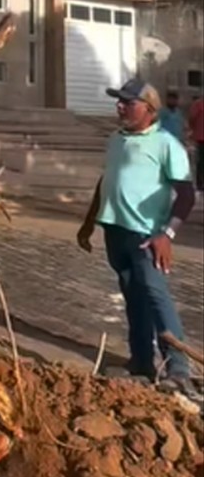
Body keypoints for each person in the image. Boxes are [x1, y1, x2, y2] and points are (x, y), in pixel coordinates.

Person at [77, 79, 197, 396]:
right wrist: (89, 223)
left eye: (127, 102)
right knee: (133, 297)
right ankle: (142, 361)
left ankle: (179, 369)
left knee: (157, 298)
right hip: (115, 231)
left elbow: (186, 195)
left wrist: (166, 234)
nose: (120, 107)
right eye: (119, 101)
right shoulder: (116, 139)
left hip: (147, 236)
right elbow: (107, 180)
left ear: (149, 108)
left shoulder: (166, 144)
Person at [190, 94, 204, 192]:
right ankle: (200, 184)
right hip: (201, 137)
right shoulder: (198, 104)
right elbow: (192, 118)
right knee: (201, 161)